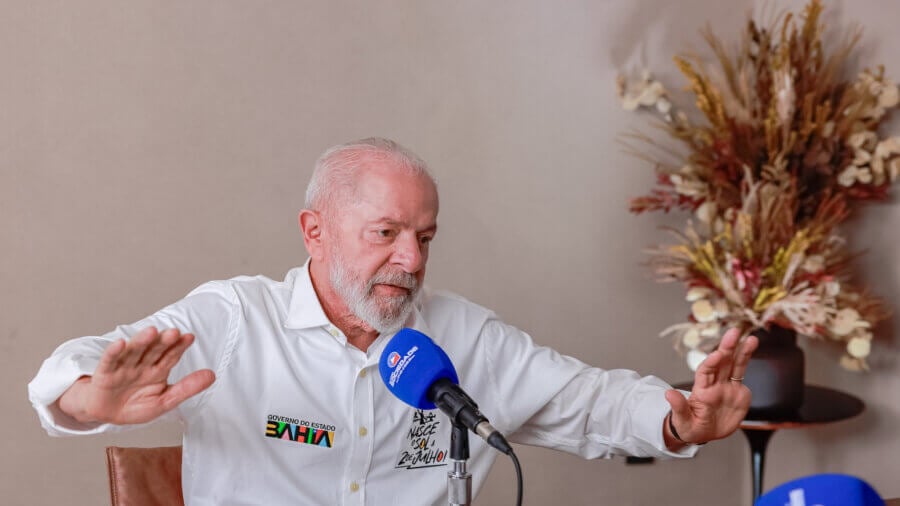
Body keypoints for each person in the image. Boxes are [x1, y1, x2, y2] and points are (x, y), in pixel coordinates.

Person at [29, 137, 758, 505]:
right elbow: (78, 365)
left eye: (425, 236)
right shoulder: (233, 319)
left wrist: (676, 422)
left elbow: (588, 401)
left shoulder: (463, 336)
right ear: (314, 231)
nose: (410, 259)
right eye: (385, 233)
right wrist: (86, 397)